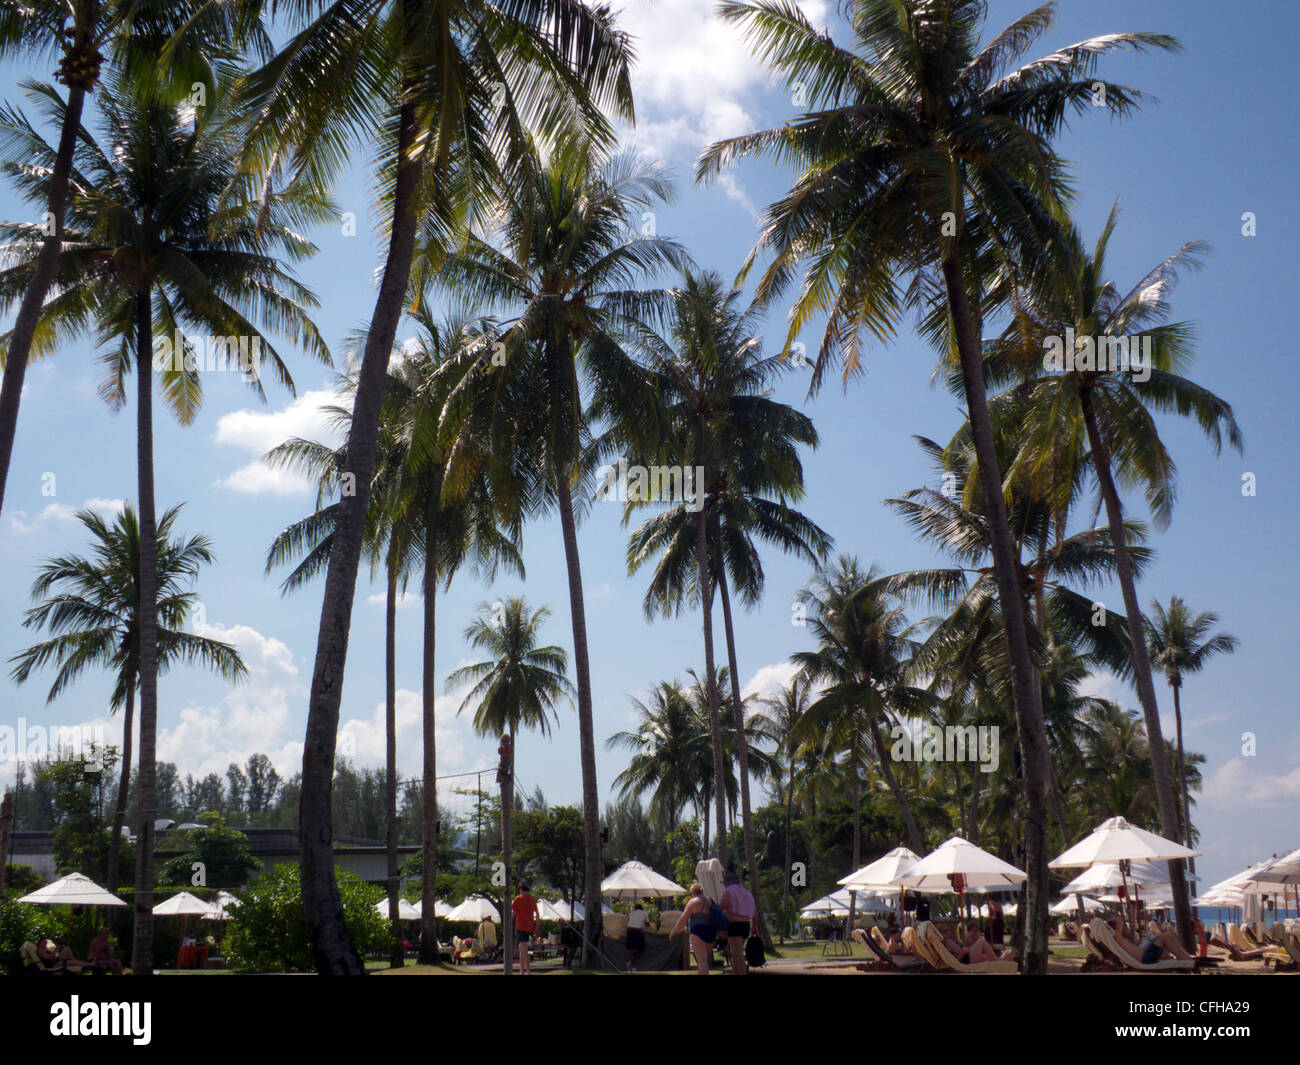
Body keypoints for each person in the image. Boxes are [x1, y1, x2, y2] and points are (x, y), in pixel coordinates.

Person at [670, 883, 719, 975]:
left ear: (693, 892)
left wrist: (674, 932)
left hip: (698, 930)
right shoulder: (710, 900)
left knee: (701, 960)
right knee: (705, 960)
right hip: (711, 931)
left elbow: (683, 919)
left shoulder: (693, 902)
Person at [1106, 916, 1192, 964]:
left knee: (1168, 934)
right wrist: (1107, 921)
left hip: (1147, 956)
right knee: (1163, 937)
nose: (1124, 927)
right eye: (1123, 926)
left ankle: (1185, 955)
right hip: (1147, 958)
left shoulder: (1122, 940)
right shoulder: (1118, 938)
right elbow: (1118, 920)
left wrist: (1137, 944)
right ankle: (1184, 958)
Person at [720, 870, 757, 975]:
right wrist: (755, 927)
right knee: (736, 952)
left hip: (734, 925)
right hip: (745, 925)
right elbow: (755, 912)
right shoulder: (746, 893)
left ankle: (741, 972)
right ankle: (736, 972)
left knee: (737, 954)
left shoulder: (729, 892)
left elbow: (722, 905)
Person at [511, 883, 540, 974]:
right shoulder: (532, 899)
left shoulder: (518, 899)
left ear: (521, 889)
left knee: (524, 949)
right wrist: (537, 927)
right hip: (529, 926)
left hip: (520, 926)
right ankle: (521, 970)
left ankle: (528, 970)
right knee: (521, 948)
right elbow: (537, 914)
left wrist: (507, 923)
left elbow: (513, 914)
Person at [626, 903, 649, 971]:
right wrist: (645, 924)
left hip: (630, 930)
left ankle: (631, 964)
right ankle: (633, 966)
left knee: (632, 950)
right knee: (641, 949)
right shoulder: (645, 913)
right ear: (642, 908)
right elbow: (647, 924)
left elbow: (628, 921)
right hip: (638, 931)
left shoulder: (631, 913)